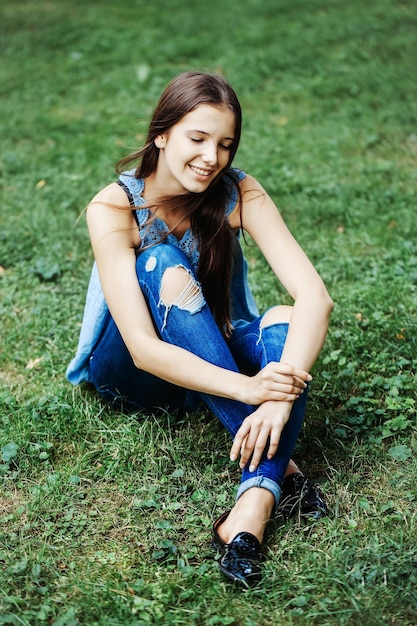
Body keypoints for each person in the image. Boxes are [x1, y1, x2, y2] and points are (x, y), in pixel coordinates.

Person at [66, 71, 333, 588]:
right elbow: (143, 349)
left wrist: (276, 400)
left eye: (225, 144)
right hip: (134, 374)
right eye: (197, 138)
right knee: (161, 261)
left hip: (212, 355)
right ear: (162, 134)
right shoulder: (115, 206)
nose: (212, 157)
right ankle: (285, 469)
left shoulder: (236, 192)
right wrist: (250, 388)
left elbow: (315, 299)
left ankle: (252, 507)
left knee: (283, 327)